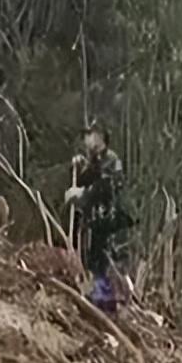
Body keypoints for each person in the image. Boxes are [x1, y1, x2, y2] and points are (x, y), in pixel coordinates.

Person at [65, 122, 130, 314]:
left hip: (106, 220)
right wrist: (78, 168)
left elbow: (106, 186)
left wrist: (82, 194)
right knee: (91, 259)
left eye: (91, 135)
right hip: (92, 220)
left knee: (104, 260)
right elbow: (85, 178)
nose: (87, 140)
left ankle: (107, 304)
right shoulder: (93, 161)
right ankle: (97, 299)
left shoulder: (111, 160)